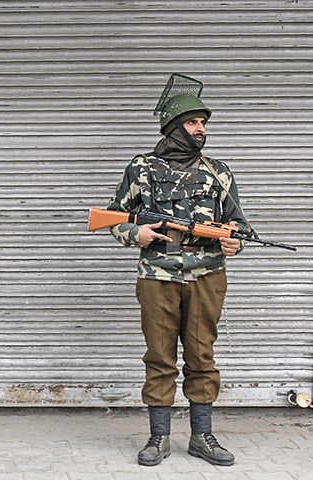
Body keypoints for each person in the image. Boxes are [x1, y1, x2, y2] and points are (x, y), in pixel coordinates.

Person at [104, 75, 245, 467]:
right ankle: (159, 439)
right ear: (173, 126)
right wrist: (137, 232)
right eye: (192, 122)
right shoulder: (141, 168)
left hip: (207, 276)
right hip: (157, 277)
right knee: (160, 356)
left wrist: (235, 241)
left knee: (202, 356)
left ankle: (202, 438)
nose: (201, 130)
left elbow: (238, 225)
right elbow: (113, 216)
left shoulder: (218, 172)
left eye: (204, 123)